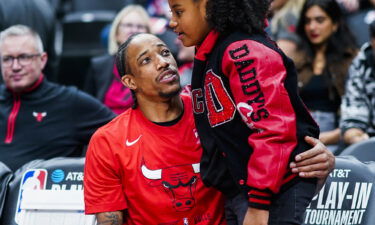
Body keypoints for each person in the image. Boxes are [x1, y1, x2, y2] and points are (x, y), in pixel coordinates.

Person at [84, 32, 335, 225]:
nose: (163, 62)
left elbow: (272, 154)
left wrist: (317, 163)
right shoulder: (108, 140)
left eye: (165, 52)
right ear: (129, 81)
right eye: (147, 60)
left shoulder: (214, 110)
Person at [168, 0, 335, 224]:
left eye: (178, 11)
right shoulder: (209, 51)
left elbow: (272, 129)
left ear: (208, 7)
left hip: (273, 191)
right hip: (244, 189)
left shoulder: (243, 50)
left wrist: (258, 203)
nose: (172, 22)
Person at [0, 25, 115, 171]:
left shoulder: (69, 102)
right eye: (7, 59)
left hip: (44, 190)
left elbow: (123, 136)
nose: (15, 66)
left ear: (42, 60)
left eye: (24, 57)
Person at [290, 0, 358, 153]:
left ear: (334, 24)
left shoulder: (352, 60)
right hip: (300, 135)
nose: (312, 27)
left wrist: (326, 137)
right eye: (308, 21)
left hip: (339, 139)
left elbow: (358, 113)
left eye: (319, 20)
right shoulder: (295, 60)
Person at [84, 5, 151, 114]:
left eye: (140, 27)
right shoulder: (98, 65)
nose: (134, 30)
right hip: (106, 126)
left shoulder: (157, 66)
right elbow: (87, 108)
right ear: (116, 33)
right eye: (128, 25)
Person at [340, 20, 375, 145]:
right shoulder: (361, 64)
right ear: (372, 42)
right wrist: (354, 136)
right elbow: (354, 117)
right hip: (370, 140)